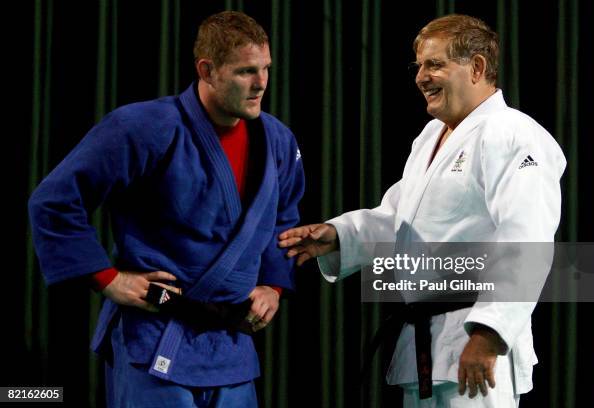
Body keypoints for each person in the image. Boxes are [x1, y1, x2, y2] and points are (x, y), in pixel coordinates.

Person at [279, 14, 565, 407]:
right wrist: (337, 236)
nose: (420, 77)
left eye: (435, 64)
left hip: (474, 346)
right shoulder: (432, 135)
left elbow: (526, 238)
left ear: (477, 67)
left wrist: (490, 334)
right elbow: (401, 219)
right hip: (426, 347)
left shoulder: (513, 134)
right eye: (419, 66)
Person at [29, 11, 304, 407]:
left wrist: (273, 286)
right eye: (246, 71)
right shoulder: (144, 127)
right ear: (207, 70)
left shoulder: (278, 140)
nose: (261, 83)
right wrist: (107, 279)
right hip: (156, 334)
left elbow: (285, 219)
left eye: (265, 68)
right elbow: (54, 201)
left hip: (231, 348)